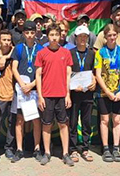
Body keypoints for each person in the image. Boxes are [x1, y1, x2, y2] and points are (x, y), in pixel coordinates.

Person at [36, 24, 75, 167]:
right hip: (47, 95)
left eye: (56, 35)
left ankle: (65, 153)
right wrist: (40, 96)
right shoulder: (41, 53)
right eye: (51, 35)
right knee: (46, 124)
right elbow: (38, 75)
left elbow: (68, 75)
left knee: (63, 124)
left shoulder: (66, 53)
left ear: (60, 36)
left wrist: (68, 94)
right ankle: (47, 153)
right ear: (47, 36)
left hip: (62, 95)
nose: (54, 38)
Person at [95, 24, 120, 162]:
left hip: (119, 92)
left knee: (117, 120)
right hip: (104, 93)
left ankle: (116, 148)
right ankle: (105, 148)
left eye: (114, 35)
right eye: (109, 35)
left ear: (117, 35)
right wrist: (107, 92)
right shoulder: (100, 53)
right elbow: (98, 74)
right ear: (105, 37)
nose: (112, 37)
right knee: (104, 120)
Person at [11, 21, 43, 163]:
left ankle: (37, 148)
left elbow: (42, 71)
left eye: (32, 32)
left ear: (35, 33)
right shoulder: (18, 48)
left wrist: (32, 85)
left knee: (36, 119)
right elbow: (14, 68)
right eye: (27, 32)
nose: (30, 35)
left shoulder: (41, 49)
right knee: (19, 120)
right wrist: (22, 84)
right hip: (21, 90)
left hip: (34, 89)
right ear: (23, 33)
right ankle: (19, 149)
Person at [68, 26, 96, 163]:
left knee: (86, 122)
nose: (83, 39)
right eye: (80, 36)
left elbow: (95, 72)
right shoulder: (70, 53)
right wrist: (71, 86)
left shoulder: (92, 54)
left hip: (87, 93)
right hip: (74, 93)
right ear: (76, 38)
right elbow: (67, 73)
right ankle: (72, 149)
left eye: (85, 36)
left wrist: (94, 82)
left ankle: (85, 148)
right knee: (72, 122)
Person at [0, 30, 16, 160]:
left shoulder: (15, 54)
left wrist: (7, 57)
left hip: (14, 94)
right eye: (4, 40)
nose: (6, 42)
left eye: (8, 40)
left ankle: (9, 148)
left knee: (13, 124)